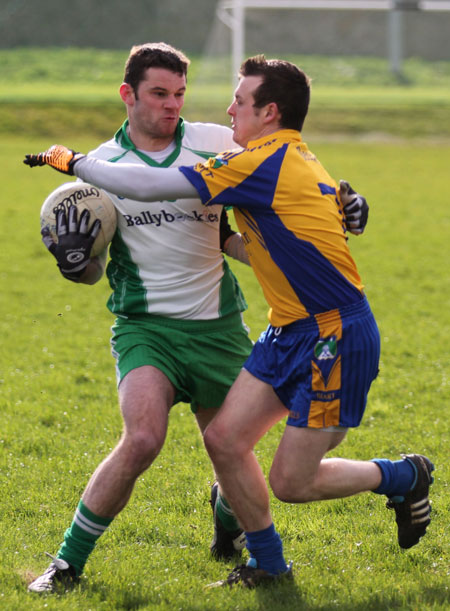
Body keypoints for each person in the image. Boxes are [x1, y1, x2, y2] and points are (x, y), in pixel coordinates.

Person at [23, 54, 379, 591]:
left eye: (179, 93)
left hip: (218, 325)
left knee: (229, 447)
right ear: (129, 95)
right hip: (147, 328)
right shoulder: (103, 167)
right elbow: (92, 270)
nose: (173, 105)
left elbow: (294, 174)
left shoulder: (219, 141)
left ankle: (240, 534)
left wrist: (348, 203)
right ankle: (68, 563)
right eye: (160, 94)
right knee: (143, 438)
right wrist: (76, 264)